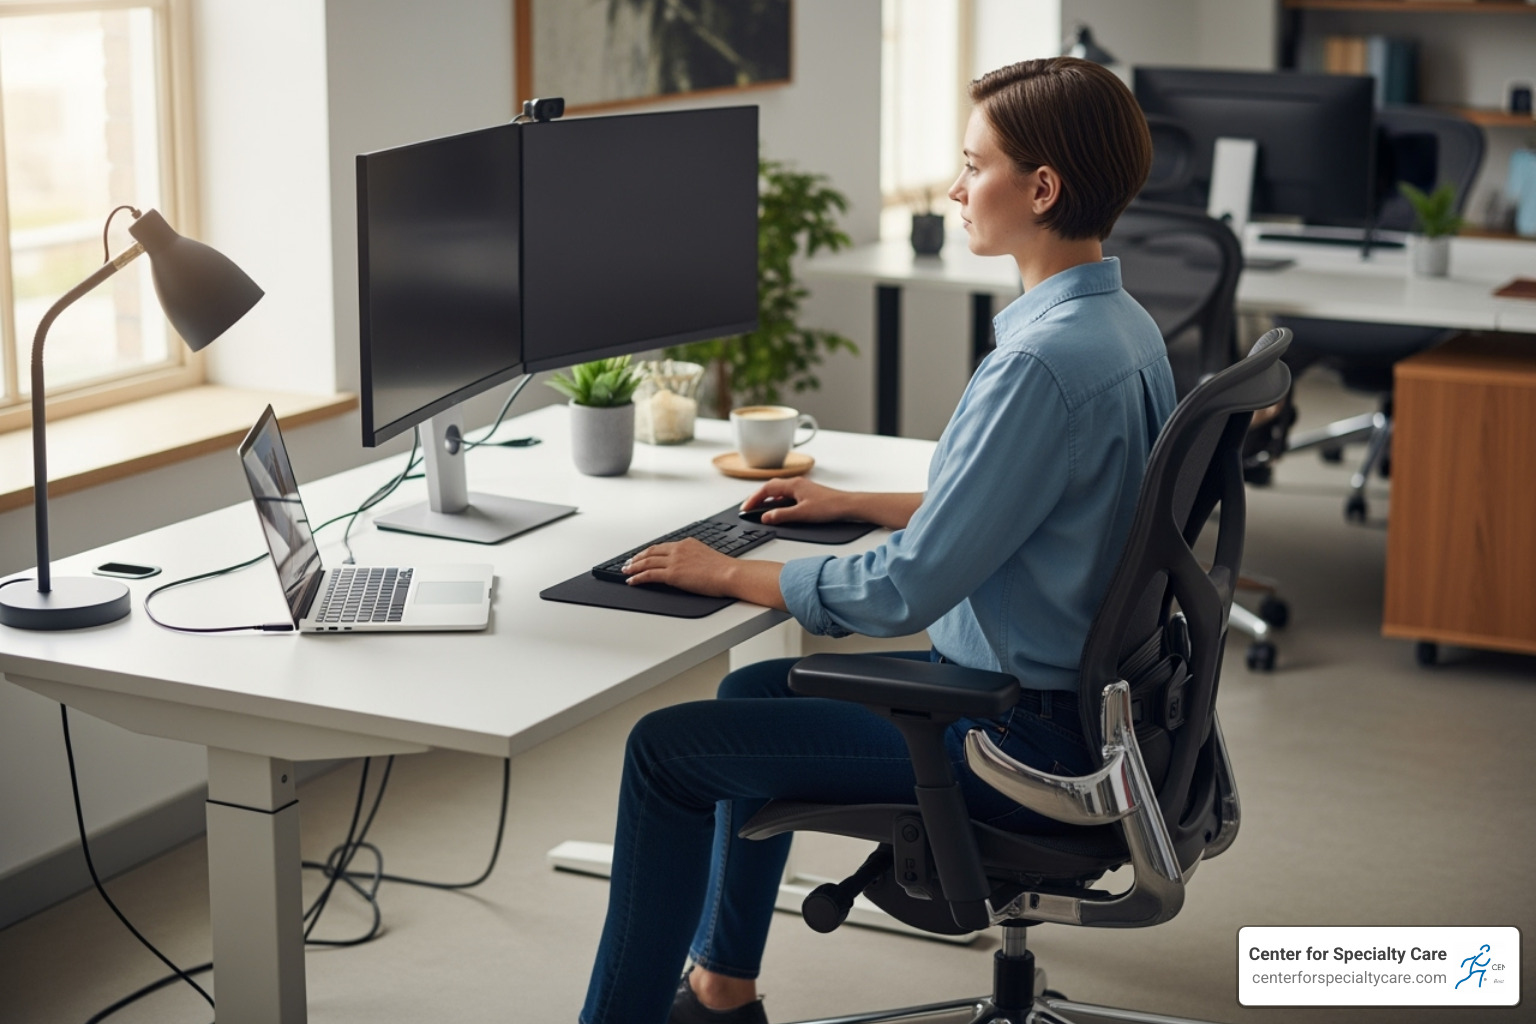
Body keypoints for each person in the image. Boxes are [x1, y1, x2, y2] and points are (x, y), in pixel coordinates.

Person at [579, 57, 1173, 1024]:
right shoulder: (1121, 329)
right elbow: (1033, 500)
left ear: (1041, 189)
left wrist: (732, 573)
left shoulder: (1039, 364)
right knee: (749, 693)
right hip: (1088, 712)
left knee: (663, 753)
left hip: (1013, 739)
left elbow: (908, 590)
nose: (955, 188)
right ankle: (722, 990)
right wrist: (856, 503)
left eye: (972, 165)